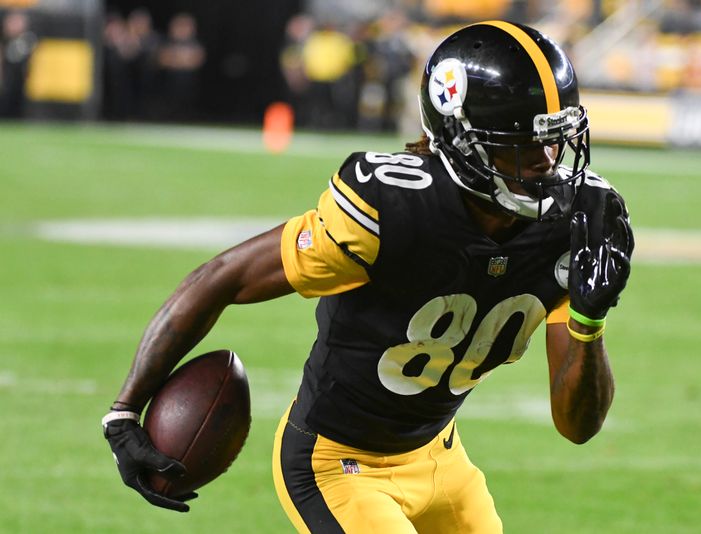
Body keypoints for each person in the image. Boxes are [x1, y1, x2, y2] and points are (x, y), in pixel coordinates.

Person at [102, 21, 634, 532]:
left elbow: (578, 427)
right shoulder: (389, 210)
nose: (546, 161)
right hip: (338, 466)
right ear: (462, 139)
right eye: (519, 144)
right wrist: (125, 409)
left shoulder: (576, 221)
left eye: (557, 139)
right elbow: (222, 276)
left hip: (440, 459)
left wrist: (588, 321)